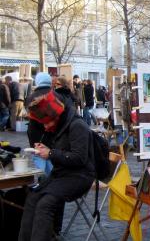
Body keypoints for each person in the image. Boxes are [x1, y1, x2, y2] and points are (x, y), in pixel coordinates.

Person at [19, 88, 95, 241]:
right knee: (33, 197)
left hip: (80, 176)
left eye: (47, 123)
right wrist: (46, 150)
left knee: (45, 204)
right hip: (62, 174)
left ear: (57, 116)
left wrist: (51, 153)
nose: (46, 127)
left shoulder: (77, 125)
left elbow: (80, 158)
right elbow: (60, 152)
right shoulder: (60, 125)